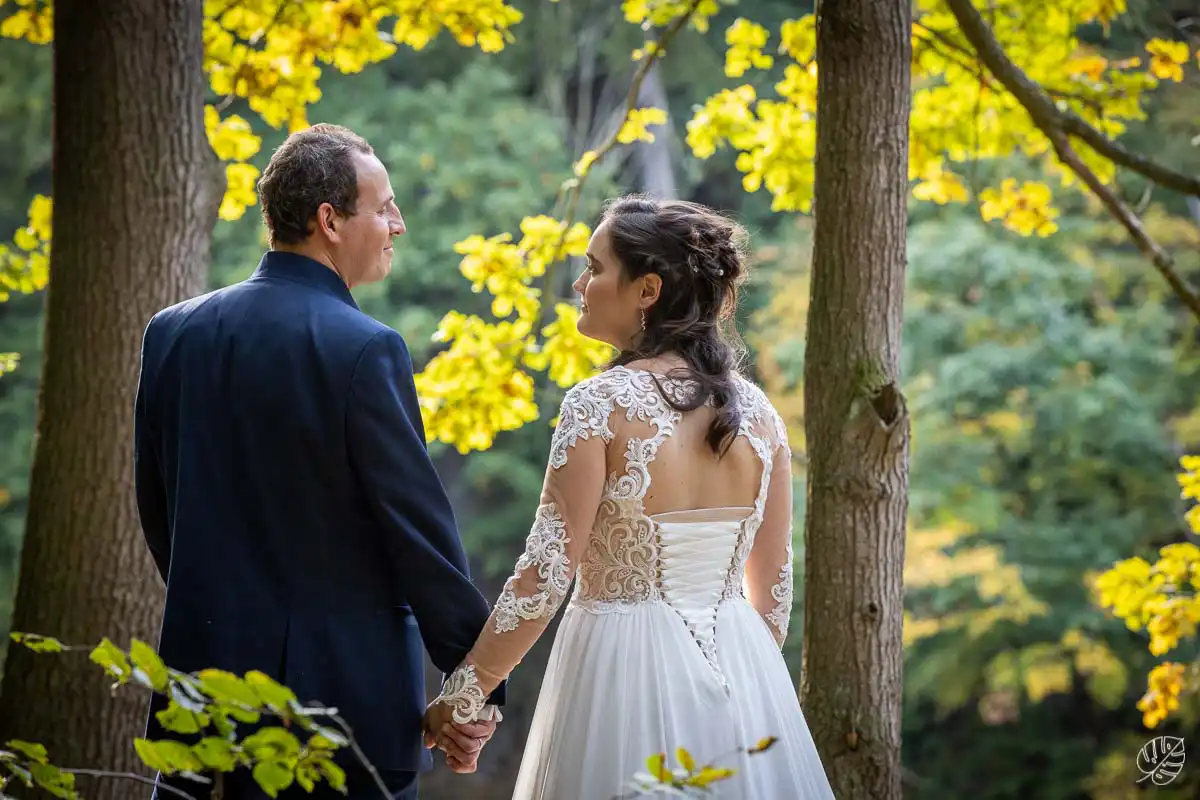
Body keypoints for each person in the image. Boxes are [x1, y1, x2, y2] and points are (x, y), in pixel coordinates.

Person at [134, 123, 502, 800]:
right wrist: (477, 679)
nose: (398, 224)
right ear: (328, 220)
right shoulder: (366, 349)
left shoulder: (171, 333)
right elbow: (419, 537)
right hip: (340, 717)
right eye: (384, 206)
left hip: (200, 704)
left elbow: (158, 513)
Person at [424, 195, 836, 798]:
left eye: (595, 268)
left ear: (646, 290)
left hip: (620, 672)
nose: (580, 284)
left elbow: (544, 576)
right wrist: (733, 690)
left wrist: (462, 697)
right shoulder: (760, 415)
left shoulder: (598, 406)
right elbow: (772, 598)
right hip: (742, 676)